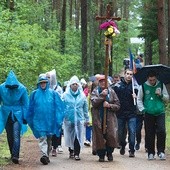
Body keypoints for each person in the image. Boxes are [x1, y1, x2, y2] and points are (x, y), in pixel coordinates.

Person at [26, 74, 64, 165]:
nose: (43, 84)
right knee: (42, 138)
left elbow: (59, 107)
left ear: (47, 83)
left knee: (49, 139)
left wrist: (58, 118)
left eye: (44, 83)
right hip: (38, 120)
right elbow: (30, 107)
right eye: (41, 83)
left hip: (50, 120)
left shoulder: (53, 94)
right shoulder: (34, 94)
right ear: (39, 83)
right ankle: (44, 155)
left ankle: (46, 154)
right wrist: (29, 118)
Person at [137, 70, 169, 160]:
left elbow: (167, 99)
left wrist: (161, 95)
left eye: (154, 80)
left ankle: (161, 151)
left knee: (161, 131)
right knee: (150, 133)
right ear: (148, 78)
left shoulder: (161, 85)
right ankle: (151, 152)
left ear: (156, 78)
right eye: (150, 80)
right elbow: (139, 99)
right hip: (148, 112)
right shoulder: (143, 86)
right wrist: (143, 109)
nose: (152, 82)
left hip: (160, 112)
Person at [0, 70, 29, 164]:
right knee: (9, 135)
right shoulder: (1, 88)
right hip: (6, 114)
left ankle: (15, 155)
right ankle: (12, 154)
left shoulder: (22, 88)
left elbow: (25, 104)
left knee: (16, 134)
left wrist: (25, 117)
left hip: (18, 114)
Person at [91, 75, 120, 162]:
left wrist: (109, 105)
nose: (103, 83)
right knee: (99, 136)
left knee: (111, 135)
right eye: (101, 81)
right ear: (98, 82)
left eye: (105, 81)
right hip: (98, 118)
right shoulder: (95, 92)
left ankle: (110, 152)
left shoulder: (111, 92)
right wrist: (102, 96)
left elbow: (118, 105)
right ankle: (101, 154)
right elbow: (94, 103)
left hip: (110, 118)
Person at [63, 75, 89, 161]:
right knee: (70, 136)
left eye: (76, 84)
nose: (74, 85)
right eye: (73, 84)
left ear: (78, 85)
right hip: (69, 119)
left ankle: (77, 153)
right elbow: (62, 107)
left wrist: (86, 118)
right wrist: (61, 118)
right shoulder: (65, 95)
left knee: (78, 136)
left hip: (79, 118)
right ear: (70, 85)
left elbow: (85, 108)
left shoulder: (82, 96)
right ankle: (71, 151)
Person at [113, 69, 138, 158]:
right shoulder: (117, 86)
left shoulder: (135, 86)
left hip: (132, 113)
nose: (129, 76)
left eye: (131, 74)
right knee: (120, 133)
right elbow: (112, 96)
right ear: (124, 74)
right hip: (120, 113)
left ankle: (132, 150)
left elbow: (140, 99)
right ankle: (122, 145)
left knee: (132, 131)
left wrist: (136, 97)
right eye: (127, 74)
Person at [46, 70, 64, 157]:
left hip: (56, 112)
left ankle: (55, 147)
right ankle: (48, 146)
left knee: (57, 129)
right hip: (47, 112)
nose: (48, 79)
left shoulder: (59, 89)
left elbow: (61, 100)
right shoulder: (45, 88)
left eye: (49, 77)